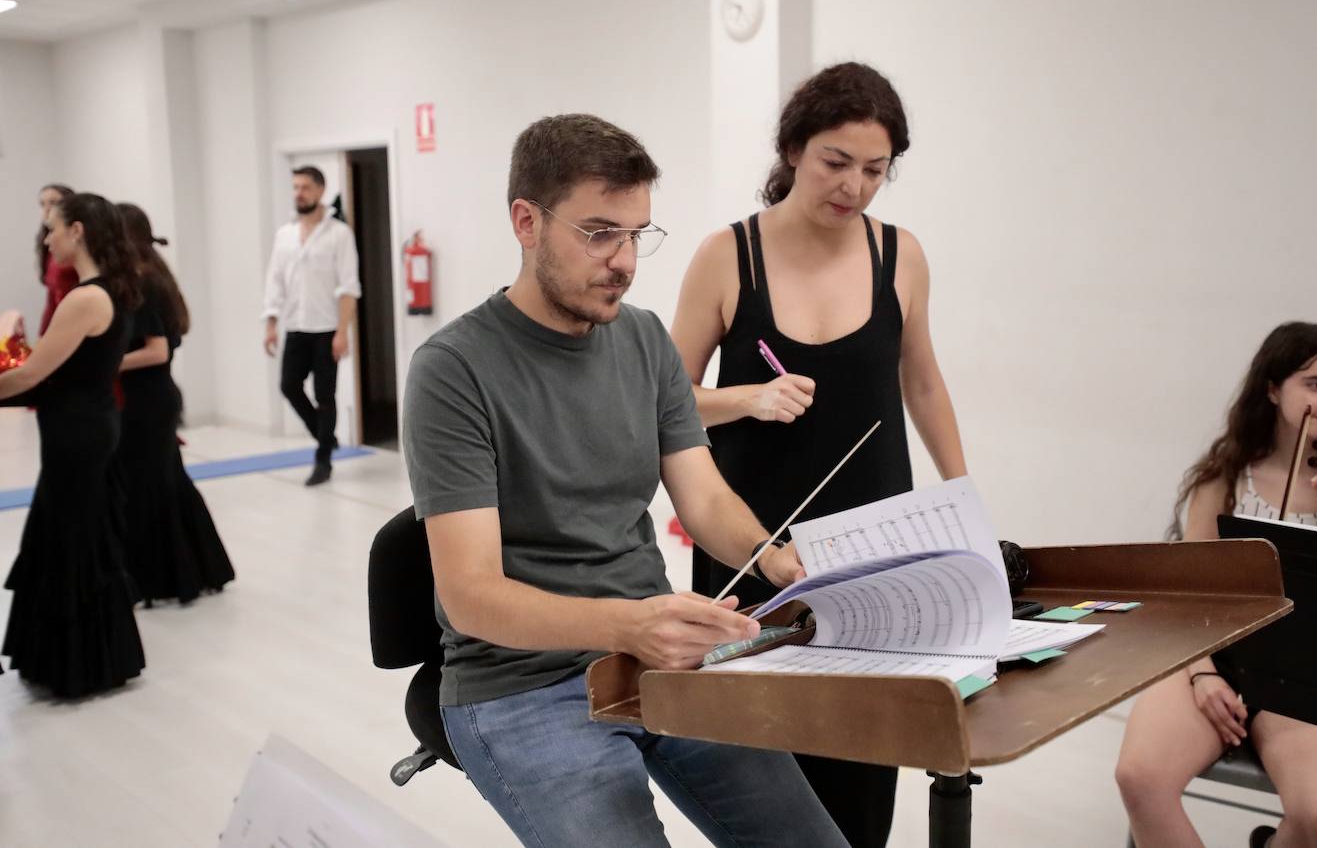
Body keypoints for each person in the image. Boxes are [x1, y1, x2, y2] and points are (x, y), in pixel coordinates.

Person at [402, 113, 847, 848]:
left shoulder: (642, 340)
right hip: (519, 687)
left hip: (656, 658)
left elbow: (703, 500)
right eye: (599, 232)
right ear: (526, 222)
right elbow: (470, 595)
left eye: (638, 234)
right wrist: (628, 622)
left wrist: (775, 556)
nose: (625, 260)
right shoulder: (454, 370)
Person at [670, 60, 968, 847]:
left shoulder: (900, 255)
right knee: (758, 780)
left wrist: (963, 494)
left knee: (864, 769)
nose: (856, 186)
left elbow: (925, 383)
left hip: (875, 544)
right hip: (752, 542)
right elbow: (660, 398)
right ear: (794, 149)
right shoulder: (727, 256)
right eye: (837, 162)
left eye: (876, 170)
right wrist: (745, 399)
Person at [1116, 322, 1317, 848]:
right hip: (1216, 654)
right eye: (1316, 384)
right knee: (1139, 777)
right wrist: (1202, 675)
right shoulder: (1225, 479)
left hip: (1308, 676)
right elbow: (1192, 596)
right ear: (1274, 389)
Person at [0, 192, 146, 698]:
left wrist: (4, 341)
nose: (47, 237)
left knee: (71, 538)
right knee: (77, 534)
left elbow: (30, 375)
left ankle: (77, 665)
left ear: (78, 231)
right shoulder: (106, 291)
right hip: (86, 425)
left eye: (53, 228)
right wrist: (16, 348)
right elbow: (50, 366)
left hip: (78, 433)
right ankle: (83, 660)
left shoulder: (85, 298)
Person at [114, 203, 234, 605]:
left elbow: (157, 350)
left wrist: (105, 362)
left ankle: (162, 580)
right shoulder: (153, 274)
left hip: (146, 398)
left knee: (150, 488)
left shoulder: (142, 283)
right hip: (153, 395)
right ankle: (197, 570)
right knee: (167, 484)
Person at [262, 166, 361, 486]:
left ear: (319, 190)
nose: (298, 193)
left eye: (304, 187)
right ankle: (325, 434)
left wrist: (342, 331)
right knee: (289, 386)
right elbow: (274, 281)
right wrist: (271, 322)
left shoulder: (338, 234)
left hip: (327, 327)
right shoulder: (285, 235)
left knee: (325, 395)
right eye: (294, 187)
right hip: (295, 324)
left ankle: (323, 459)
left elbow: (349, 287)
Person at [35, 183, 78, 335]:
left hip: (76, 326)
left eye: (53, 202)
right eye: (42, 204)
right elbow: (51, 301)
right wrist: (43, 336)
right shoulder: (50, 247)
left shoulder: (77, 246)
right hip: (58, 327)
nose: (47, 209)